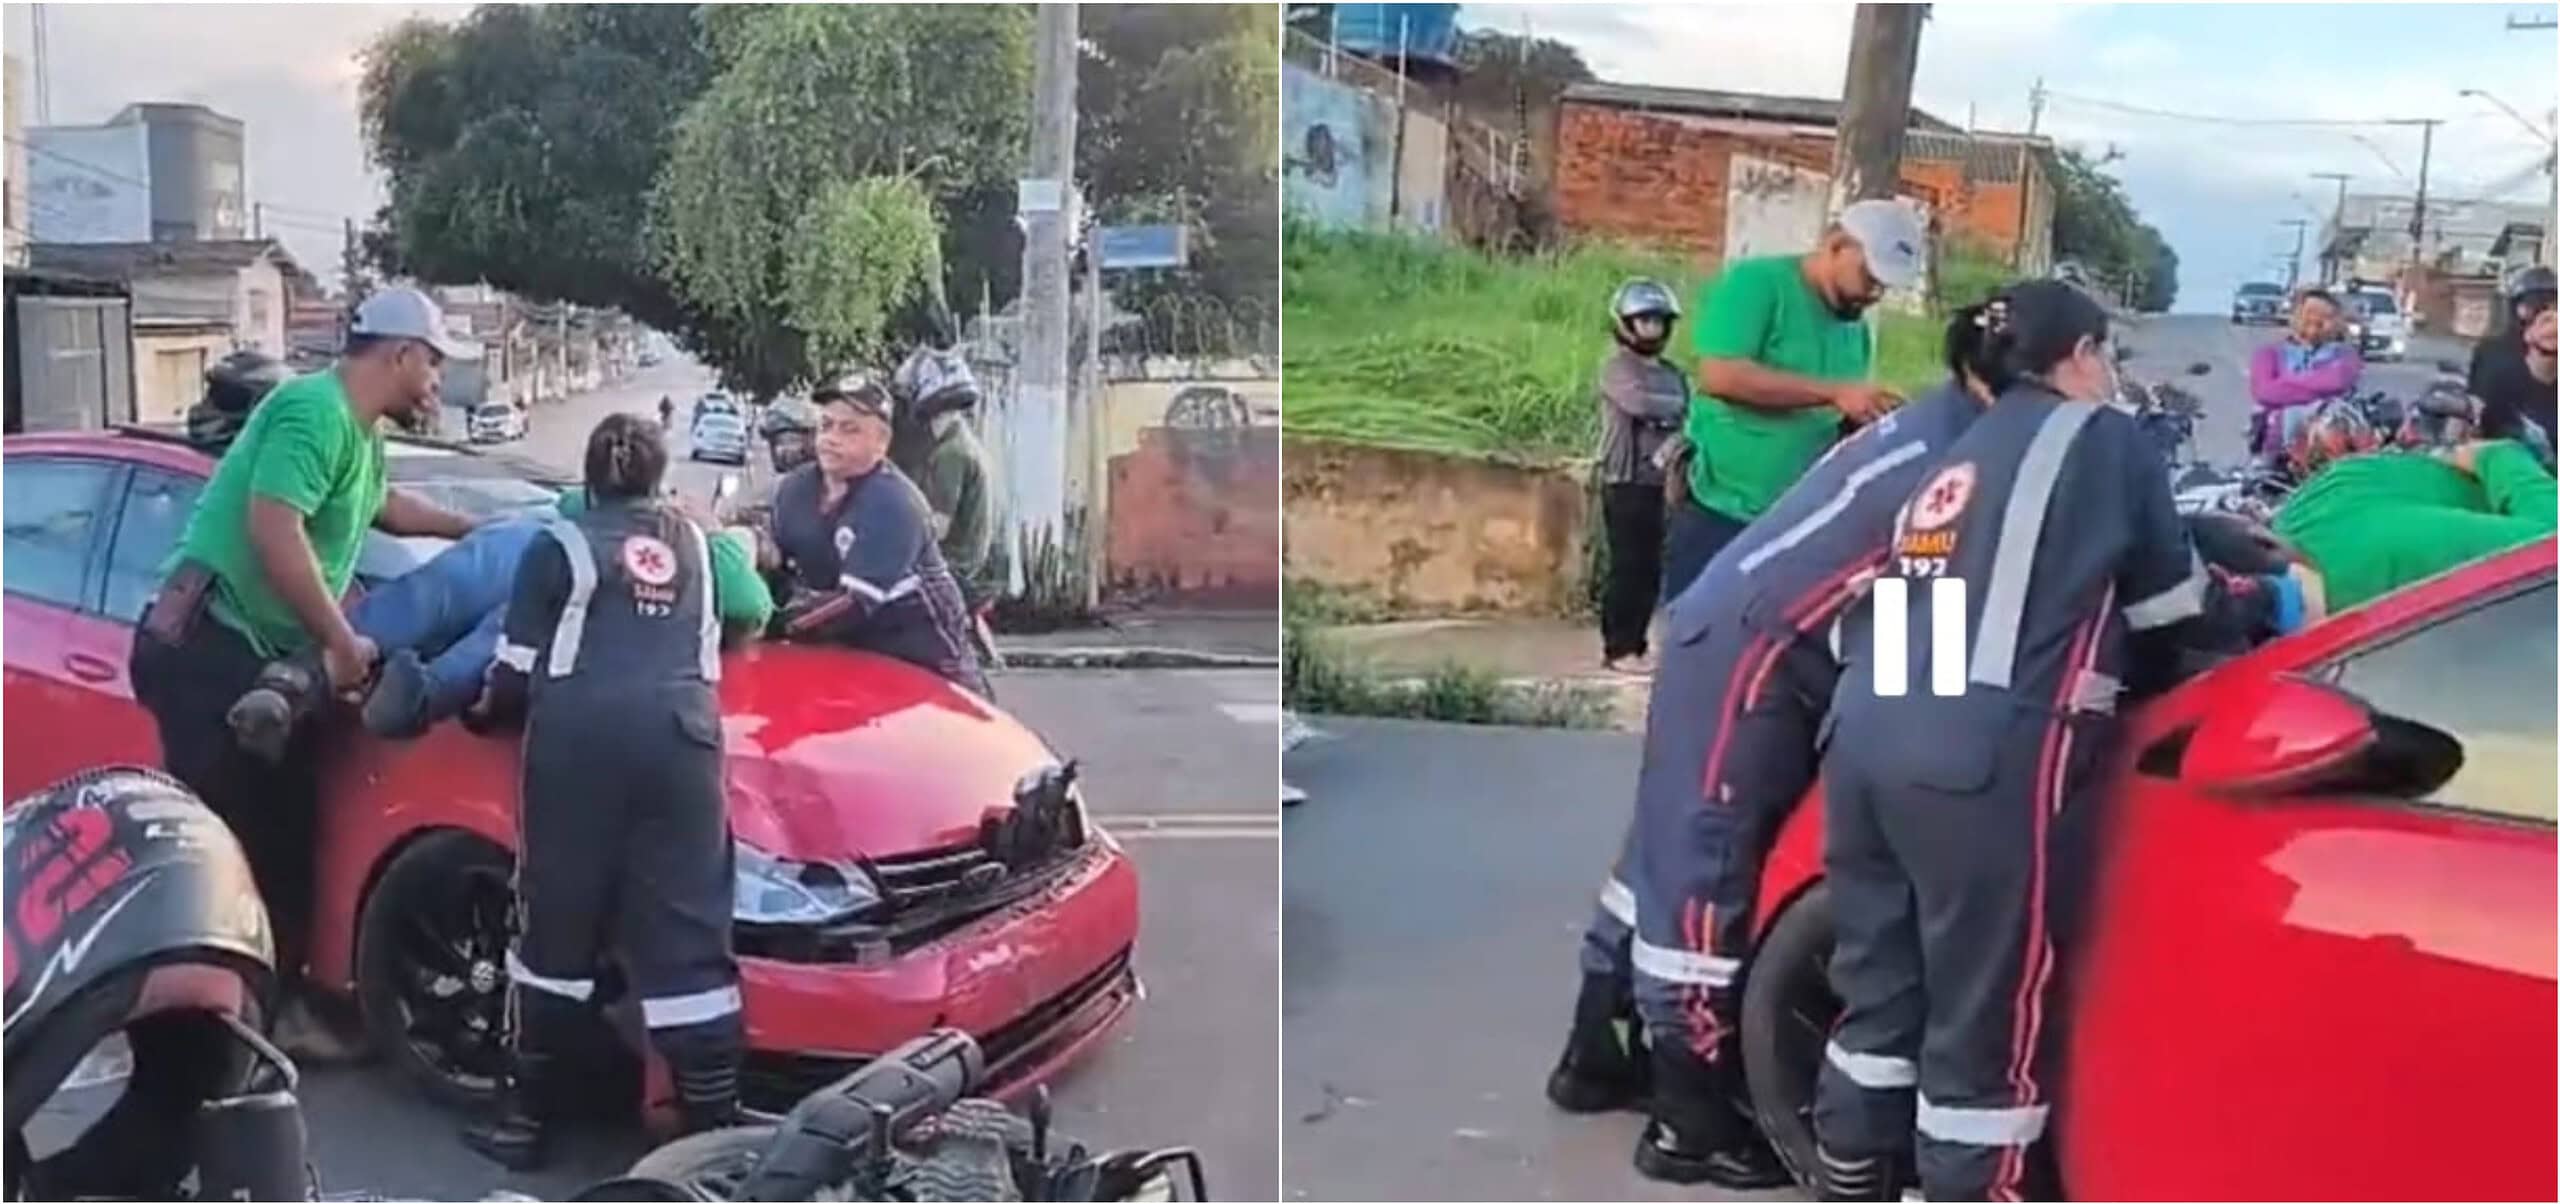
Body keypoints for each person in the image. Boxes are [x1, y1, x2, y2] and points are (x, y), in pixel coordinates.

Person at [1548, 295, 2014, 1189]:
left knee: (1661, 847)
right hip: (1759, 655)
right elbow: (1940, 606)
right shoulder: (1965, 460)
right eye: (2088, 360)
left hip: (1735, 629)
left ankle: (1593, 1052)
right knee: (1704, 870)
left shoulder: (1932, 420)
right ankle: (1688, 1121)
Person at [1812, 282, 2208, 1202]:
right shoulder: (2103, 436)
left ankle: (1849, 1179)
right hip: (1979, 767)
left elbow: (1947, 630)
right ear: (2081, 353)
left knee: (1882, 996)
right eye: (2104, 355)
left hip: (1871, 738)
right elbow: (2168, 614)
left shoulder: (1962, 454)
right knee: (1985, 1028)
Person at [128, 287, 479, 1058]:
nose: (436, 383)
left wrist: (478, 530)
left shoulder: (358, 432)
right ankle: (201, 1033)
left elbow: (383, 507)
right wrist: (340, 640)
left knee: (282, 834)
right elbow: (273, 527)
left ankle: (261, 1011)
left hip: (250, 658)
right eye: (434, 365)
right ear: (399, 354)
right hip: (207, 650)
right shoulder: (311, 412)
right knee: (233, 845)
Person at [460, 415, 742, 1169]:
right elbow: (725, 632)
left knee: (558, 919)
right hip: (685, 744)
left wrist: (479, 708)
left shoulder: (559, 546)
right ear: (659, 480)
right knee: (689, 926)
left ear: (587, 483)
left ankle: (523, 1125)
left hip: (580, 749)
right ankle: (717, 1132)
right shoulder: (700, 549)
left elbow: (512, 674)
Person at [224, 438, 775, 752]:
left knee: (449, 595)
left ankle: (300, 677)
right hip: (550, 552)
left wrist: (722, 534)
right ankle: (418, 693)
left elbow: (747, 600)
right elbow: (748, 605)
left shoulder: (708, 548)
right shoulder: (692, 546)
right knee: (487, 616)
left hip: (545, 545)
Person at [1666, 199, 1930, 599]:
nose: (1874, 293)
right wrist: (1834, 393)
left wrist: (1869, 417)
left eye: (1883, 286)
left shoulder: (1853, 329)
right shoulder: (1759, 284)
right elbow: (1721, 375)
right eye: (1868, 276)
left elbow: (1829, 415)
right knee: (1700, 638)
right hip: (1724, 509)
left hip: (1799, 521)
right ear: (1837, 245)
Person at [762, 377, 988, 694]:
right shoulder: (794, 491)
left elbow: (849, 606)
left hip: (929, 667)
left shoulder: (893, 504)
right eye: (826, 425)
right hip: (847, 658)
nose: (832, 438)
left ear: (881, 443)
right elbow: (777, 565)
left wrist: (771, 625)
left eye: (850, 429)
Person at [2271, 398, 2557, 612]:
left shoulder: (2406, 544)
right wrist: (2498, 457)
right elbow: (2551, 545)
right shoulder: (2298, 513)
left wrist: (2498, 459)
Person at [1592, 277, 1690, 675]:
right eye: (1643, 320)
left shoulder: (1672, 371)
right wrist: (1668, 409)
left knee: (1651, 568)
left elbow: (1686, 405)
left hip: (1661, 481)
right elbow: (1641, 403)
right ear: (1625, 324)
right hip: (1625, 477)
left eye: (1658, 321)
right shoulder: (1617, 368)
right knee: (1628, 566)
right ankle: (1618, 648)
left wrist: (1669, 410)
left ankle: (1638, 643)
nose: (1651, 328)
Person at [889, 346, 997, 609]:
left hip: (953, 564)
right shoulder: (957, 442)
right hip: (960, 561)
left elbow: (937, 527)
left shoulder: (951, 454)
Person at [2246, 287, 2362, 463]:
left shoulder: (2345, 354)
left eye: (2326, 316)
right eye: (2310, 312)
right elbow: (2265, 392)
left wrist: (2286, 384)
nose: (2316, 319)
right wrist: (2319, 394)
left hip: (2332, 443)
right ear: (2295, 316)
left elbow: (2337, 381)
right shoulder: (2268, 354)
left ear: (2337, 323)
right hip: (2276, 447)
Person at [2471, 265, 2559, 444]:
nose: (2547, 315)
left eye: (2554, 305)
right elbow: (2476, 409)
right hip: (2502, 454)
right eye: (2537, 305)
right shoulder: (2493, 352)